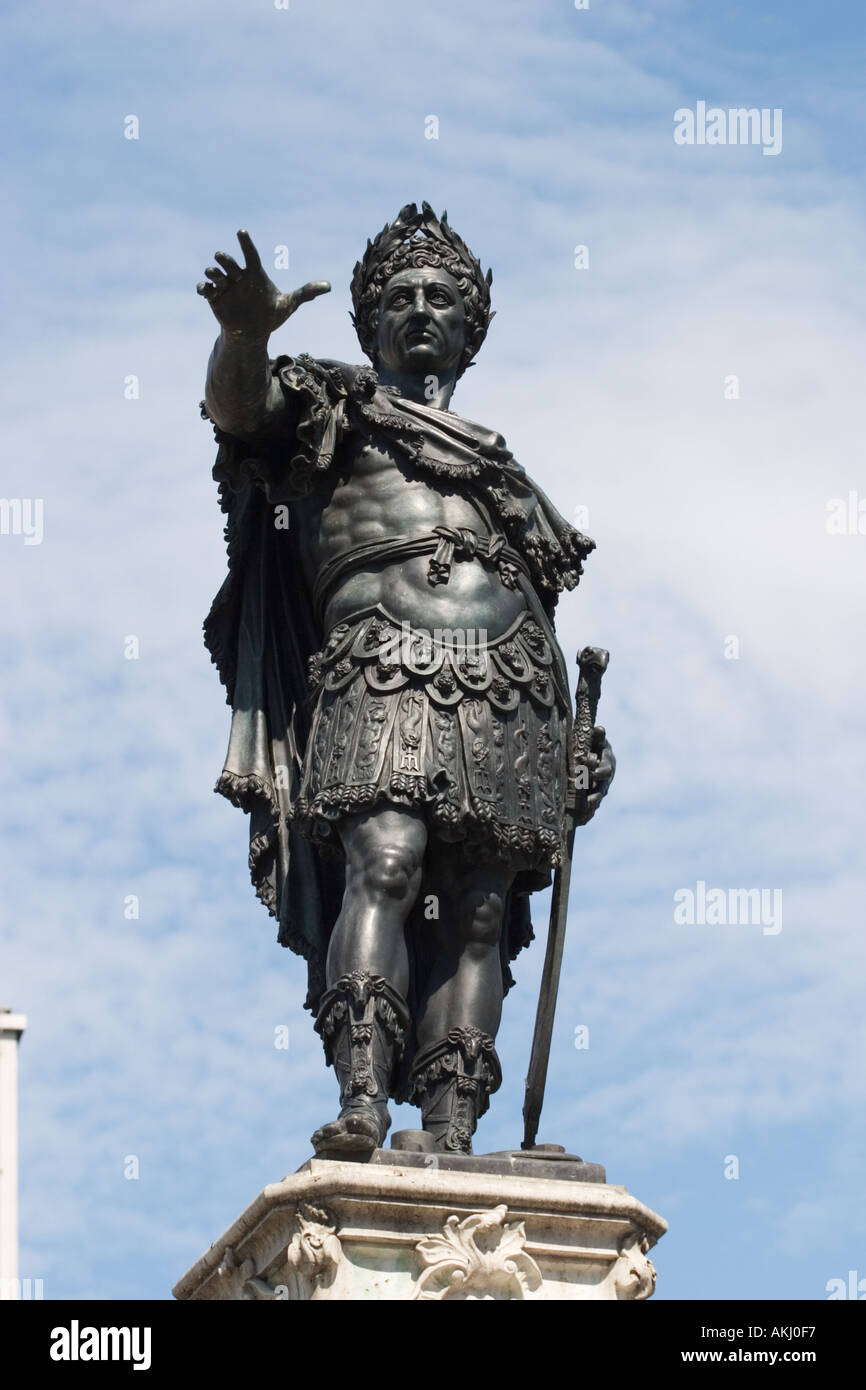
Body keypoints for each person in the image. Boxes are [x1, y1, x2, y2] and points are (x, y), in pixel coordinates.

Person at [198, 203, 613, 1155]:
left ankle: (452, 1129)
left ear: (472, 328)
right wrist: (245, 332)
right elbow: (240, 409)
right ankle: (362, 1100)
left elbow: (543, 610)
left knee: (478, 906)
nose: (421, 309)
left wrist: (580, 744)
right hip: (379, 663)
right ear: (368, 322)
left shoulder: (501, 474)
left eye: (441, 298)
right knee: (385, 863)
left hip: (513, 688)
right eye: (400, 297)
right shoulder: (330, 413)